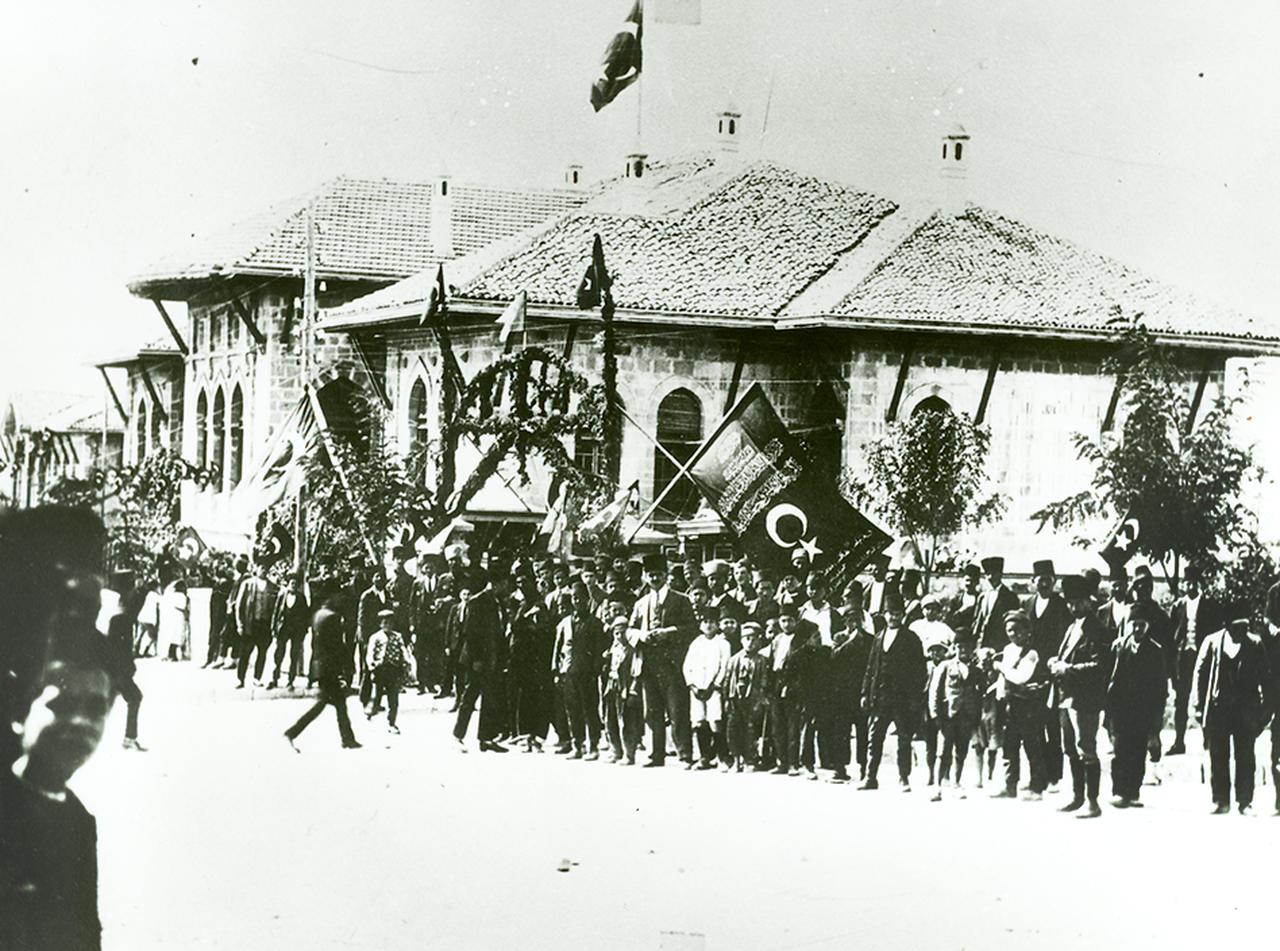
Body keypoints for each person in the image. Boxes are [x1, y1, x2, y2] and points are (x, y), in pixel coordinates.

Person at [2, 632, 118, 951]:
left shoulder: (78, 820)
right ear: (18, 713)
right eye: (61, 704)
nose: (81, 721)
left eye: (96, 709)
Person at [1192, 607, 1273, 815]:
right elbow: (1200, 675)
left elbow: (1265, 677)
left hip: (1245, 711)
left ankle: (1245, 801)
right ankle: (1220, 800)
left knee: (1245, 756)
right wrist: (1199, 706)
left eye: (1245, 627)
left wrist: (1265, 711)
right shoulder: (1212, 642)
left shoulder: (1254, 644)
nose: (1242, 632)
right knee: (1218, 755)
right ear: (1227, 627)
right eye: (1238, 628)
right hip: (1219, 709)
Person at [1046, 575, 1109, 818]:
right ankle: (1077, 796)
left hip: (1085, 699)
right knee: (1069, 747)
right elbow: (1067, 656)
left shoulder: (1096, 629)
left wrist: (1067, 669)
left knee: (1086, 748)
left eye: (1078, 602)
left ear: (1089, 601)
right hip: (1065, 695)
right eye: (1070, 602)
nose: (1073, 607)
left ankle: (1092, 802)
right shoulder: (1073, 627)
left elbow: (1099, 666)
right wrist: (1056, 661)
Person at [629, 552, 697, 768]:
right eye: (650, 575)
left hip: (672, 665)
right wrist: (641, 635)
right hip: (648, 664)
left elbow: (692, 630)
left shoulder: (681, 600)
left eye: (658, 575)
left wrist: (669, 632)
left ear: (666, 575)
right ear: (646, 578)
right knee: (652, 712)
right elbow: (629, 630)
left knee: (678, 710)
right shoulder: (641, 604)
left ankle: (685, 755)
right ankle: (656, 754)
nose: (655, 579)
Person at [1105, 600, 1167, 809]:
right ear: (1128, 625)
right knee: (1120, 750)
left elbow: (1160, 688)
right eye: (1135, 624)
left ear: (1148, 626)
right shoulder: (1118, 646)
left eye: (1142, 625)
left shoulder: (1155, 651)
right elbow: (1110, 679)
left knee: (1138, 751)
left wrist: (1155, 722)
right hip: (1120, 709)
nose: (1138, 629)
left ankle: (1133, 792)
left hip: (1143, 711)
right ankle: (1119, 791)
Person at [860, 596, 926, 791]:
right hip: (880, 698)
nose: (893, 618)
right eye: (890, 614)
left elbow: (919, 670)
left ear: (903, 615)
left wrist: (914, 697)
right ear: (885, 615)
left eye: (897, 614)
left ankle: (903, 778)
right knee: (875, 738)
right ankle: (871, 777)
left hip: (902, 699)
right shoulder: (879, 636)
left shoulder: (911, 638)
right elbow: (871, 667)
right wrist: (865, 693)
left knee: (904, 739)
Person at [284, 594, 360, 751]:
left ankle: (348, 739)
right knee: (322, 704)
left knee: (338, 703)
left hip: (320, 665)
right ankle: (292, 732)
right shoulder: (333, 617)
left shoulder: (318, 615)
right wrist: (345, 666)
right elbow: (337, 645)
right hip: (329, 667)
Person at [1024, 559, 1072, 788]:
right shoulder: (1028, 604)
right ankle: (1037, 775)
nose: (1044, 584)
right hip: (1032, 673)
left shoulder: (1061, 606)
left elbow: (1066, 638)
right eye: (1040, 580)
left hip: (1053, 672)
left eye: (1048, 580)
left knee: (1053, 725)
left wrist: (1058, 663)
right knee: (1033, 725)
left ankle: (1055, 776)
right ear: (1033, 582)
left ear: (1054, 582)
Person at [451, 567, 509, 753]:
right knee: (470, 696)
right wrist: (476, 659)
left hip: (492, 658)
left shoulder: (497, 601)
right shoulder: (478, 602)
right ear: (497, 583)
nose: (506, 586)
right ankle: (458, 735)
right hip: (477, 659)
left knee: (490, 698)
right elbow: (470, 633)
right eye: (504, 583)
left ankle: (486, 738)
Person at [992, 610, 1048, 800]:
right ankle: (1010, 785)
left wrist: (1000, 667)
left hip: (1026, 706)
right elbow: (1004, 679)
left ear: (1027, 631)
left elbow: (1020, 677)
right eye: (1009, 630)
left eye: (1017, 630)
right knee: (1009, 745)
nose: (1014, 634)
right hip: (1009, 704)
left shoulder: (1031, 653)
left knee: (1032, 745)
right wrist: (1000, 694)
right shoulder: (1008, 650)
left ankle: (1037, 787)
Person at [1168, 565, 1220, 754]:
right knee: (1180, 700)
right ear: (1183, 584)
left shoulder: (1210, 605)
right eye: (1187, 582)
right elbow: (1170, 635)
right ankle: (1179, 742)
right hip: (1183, 658)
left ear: (1199, 584)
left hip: (1204, 657)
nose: (1190, 586)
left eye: (1194, 583)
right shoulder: (1178, 606)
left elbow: (1215, 632)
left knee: (1206, 698)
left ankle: (1208, 740)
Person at [553, 579, 606, 760]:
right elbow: (558, 648)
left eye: (581, 598)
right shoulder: (565, 623)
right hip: (569, 672)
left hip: (587, 673)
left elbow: (600, 651)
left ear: (587, 599)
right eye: (574, 598)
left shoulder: (595, 623)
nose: (577, 601)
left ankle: (593, 746)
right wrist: (557, 671)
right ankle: (578, 745)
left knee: (590, 710)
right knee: (573, 711)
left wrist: (595, 671)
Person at [928, 639, 983, 801]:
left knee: (961, 751)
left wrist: (976, 716)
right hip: (948, 716)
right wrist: (935, 714)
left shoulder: (976, 670)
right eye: (960, 646)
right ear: (954, 648)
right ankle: (937, 787)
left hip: (966, 716)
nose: (963, 650)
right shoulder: (945, 666)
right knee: (943, 751)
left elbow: (980, 694)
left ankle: (956, 783)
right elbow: (935, 691)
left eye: (967, 646)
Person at [683, 610, 732, 770]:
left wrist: (715, 685)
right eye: (705, 621)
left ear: (718, 625)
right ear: (700, 625)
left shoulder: (723, 644)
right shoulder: (696, 643)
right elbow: (687, 666)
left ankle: (722, 757)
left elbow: (725, 666)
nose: (708, 625)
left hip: (714, 689)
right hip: (697, 689)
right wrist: (692, 685)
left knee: (715, 721)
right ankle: (704, 757)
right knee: (698, 722)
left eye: (712, 621)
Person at [724, 621, 771, 772]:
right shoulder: (734, 659)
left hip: (753, 699)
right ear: (741, 640)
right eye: (746, 638)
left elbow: (764, 681)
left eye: (753, 638)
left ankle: (750, 759)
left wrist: (762, 698)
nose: (750, 642)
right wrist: (727, 698)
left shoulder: (762, 660)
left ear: (759, 640)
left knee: (751, 729)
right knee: (733, 729)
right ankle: (736, 758)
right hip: (736, 699)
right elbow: (727, 679)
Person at [602, 612, 643, 764]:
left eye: (622, 632)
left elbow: (636, 671)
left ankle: (629, 753)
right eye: (616, 633)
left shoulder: (633, 650)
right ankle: (615, 750)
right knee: (610, 719)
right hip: (612, 686)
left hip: (625, 688)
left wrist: (633, 689)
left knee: (626, 721)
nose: (619, 636)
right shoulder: (613, 649)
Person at [365, 609, 412, 733]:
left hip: (393, 669)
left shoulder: (398, 636)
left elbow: (403, 649)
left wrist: (407, 661)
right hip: (380, 669)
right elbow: (370, 653)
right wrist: (371, 665)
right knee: (376, 696)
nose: (387, 625)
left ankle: (391, 722)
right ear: (380, 624)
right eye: (384, 623)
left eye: (390, 623)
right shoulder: (375, 637)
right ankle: (370, 712)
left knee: (393, 698)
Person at [235, 562, 277, 688]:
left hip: (265, 625)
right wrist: (240, 624)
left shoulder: (272, 586)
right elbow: (238, 605)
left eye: (266, 568)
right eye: (262, 567)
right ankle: (240, 679)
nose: (264, 570)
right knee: (245, 652)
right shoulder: (247, 584)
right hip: (250, 623)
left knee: (262, 652)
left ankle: (257, 677)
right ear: (256, 568)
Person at [268, 574, 310, 690]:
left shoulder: (301, 598)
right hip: (283, 629)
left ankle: (290, 681)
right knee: (279, 654)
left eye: (296, 584)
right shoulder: (282, 596)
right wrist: (273, 628)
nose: (293, 586)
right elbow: (275, 613)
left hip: (296, 630)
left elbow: (306, 615)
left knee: (294, 655)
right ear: (288, 584)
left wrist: (304, 630)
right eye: (292, 583)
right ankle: (275, 678)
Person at [355, 572, 390, 707]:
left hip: (381, 637)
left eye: (382, 577)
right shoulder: (367, 595)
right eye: (377, 576)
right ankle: (364, 699)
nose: (380, 579)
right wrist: (364, 641)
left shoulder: (386, 594)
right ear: (372, 579)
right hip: (368, 636)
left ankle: (376, 701)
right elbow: (361, 619)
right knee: (367, 668)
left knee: (380, 670)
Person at [970, 556, 1019, 651]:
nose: (991, 577)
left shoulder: (1010, 597)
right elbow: (977, 621)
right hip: (981, 645)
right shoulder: (982, 596)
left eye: (994, 573)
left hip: (1000, 645)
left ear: (1000, 574)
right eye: (988, 574)